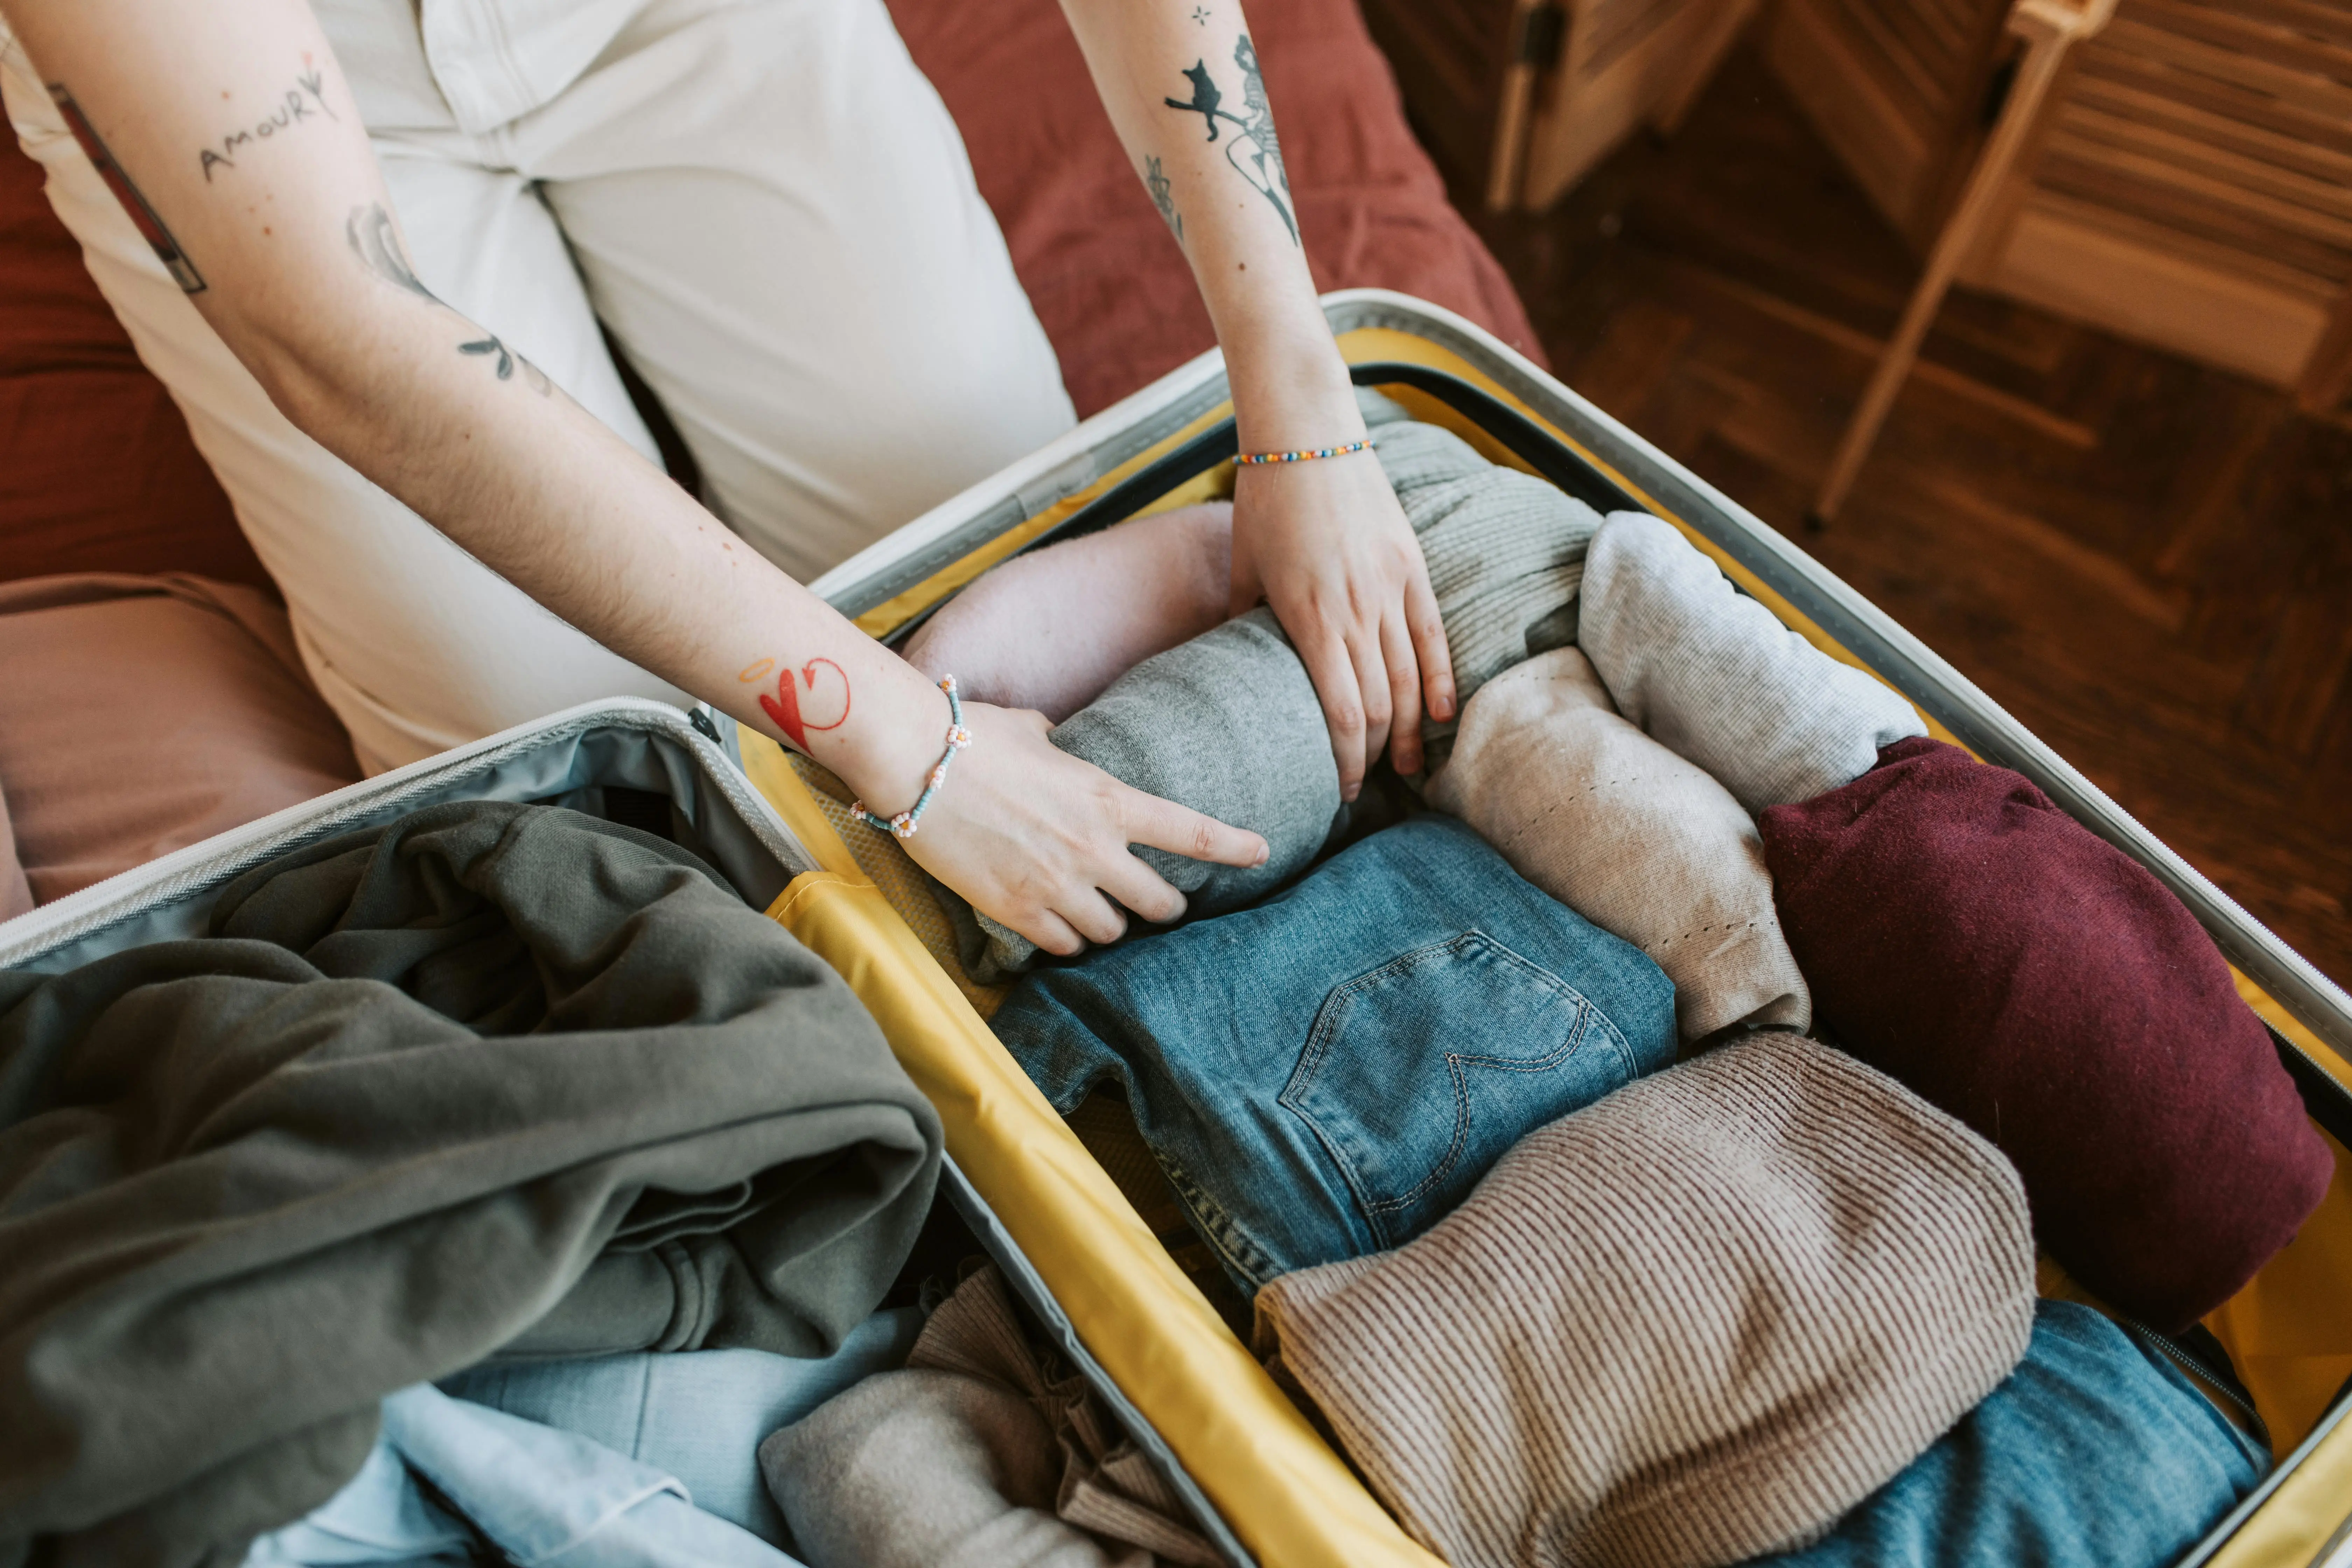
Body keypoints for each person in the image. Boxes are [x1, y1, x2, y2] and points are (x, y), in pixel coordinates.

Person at [0, 0, 1456, 957]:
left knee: (1004, 558)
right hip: (273, 110)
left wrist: (1297, 394)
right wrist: (912, 749)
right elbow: (342, 331)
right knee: (571, 796)